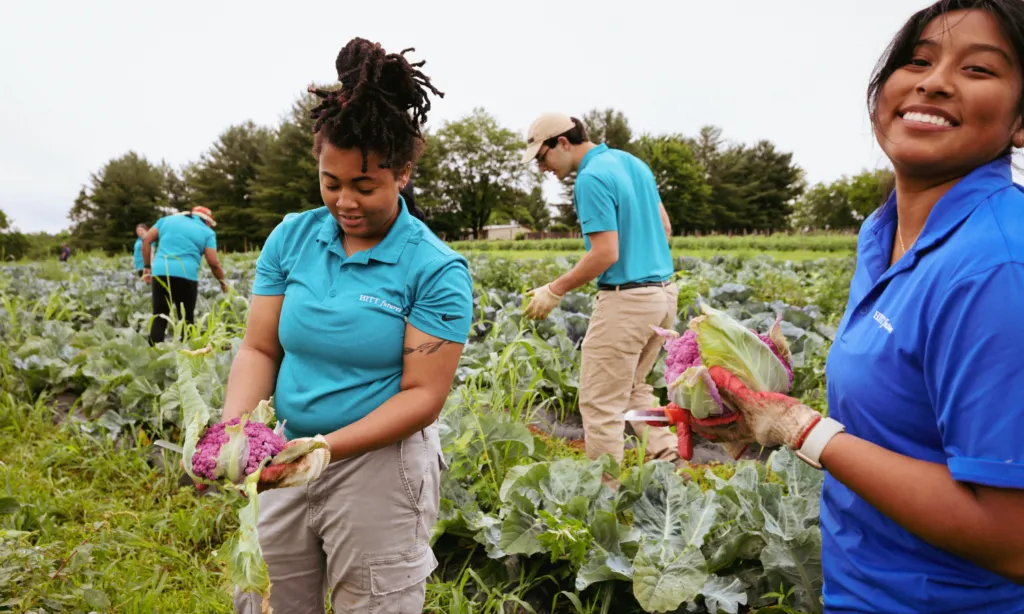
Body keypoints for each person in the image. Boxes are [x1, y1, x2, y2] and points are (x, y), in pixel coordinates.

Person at [694, 2, 1024, 612]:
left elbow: (1013, 540)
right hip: (861, 588)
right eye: (918, 60)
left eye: (978, 70)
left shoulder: (998, 267)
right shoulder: (887, 233)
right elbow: (904, 426)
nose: (934, 80)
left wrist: (804, 430)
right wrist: (759, 407)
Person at [215, 37, 470, 613]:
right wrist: (236, 431)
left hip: (378, 470)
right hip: (282, 458)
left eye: (364, 186)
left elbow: (423, 396)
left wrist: (325, 449)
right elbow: (259, 348)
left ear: (402, 173)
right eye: (331, 183)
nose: (345, 202)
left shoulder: (435, 269)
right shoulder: (292, 237)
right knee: (271, 600)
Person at [520, 112, 681, 474]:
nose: (543, 168)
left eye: (542, 158)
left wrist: (554, 289)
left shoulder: (591, 178)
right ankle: (667, 458)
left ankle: (603, 497)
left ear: (562, 142)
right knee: (636, 385)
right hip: (664, 295)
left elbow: (606, 253)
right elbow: (665, 227)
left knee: (599, 402)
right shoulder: (633, 164)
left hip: (627, 300)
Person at [141, 206, 227, 344]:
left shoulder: (166, 220)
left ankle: (153, 356)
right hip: (187, 274)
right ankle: (187, 357)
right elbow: (213, 262)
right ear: (207, 221)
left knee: (159, 316)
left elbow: (146, 240)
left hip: (161, 271)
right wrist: (222, 281)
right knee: (186, 318)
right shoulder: (207, 232)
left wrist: (146, 267)